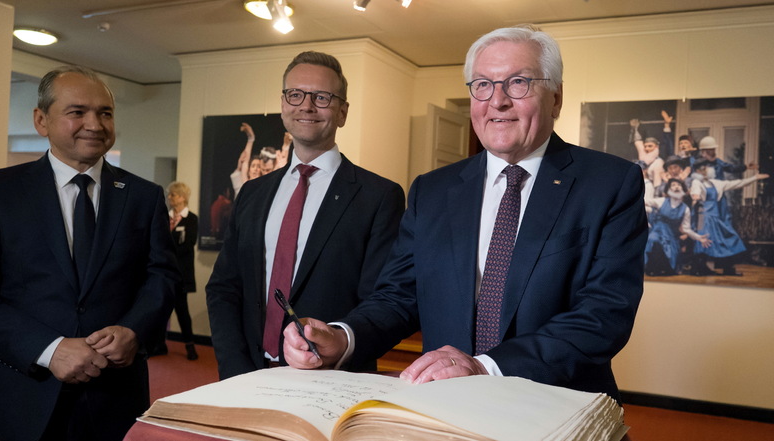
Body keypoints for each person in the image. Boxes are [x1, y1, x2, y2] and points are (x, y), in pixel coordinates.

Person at [283, 25, 648, 403]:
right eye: (483, 85)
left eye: (518, 83)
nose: (498, 101)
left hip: (557, 404)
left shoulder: (610, 183)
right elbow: (399, 295)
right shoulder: (432, 190)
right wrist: (342, 337)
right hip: (447, 407)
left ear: (555, 98)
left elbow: (604, 313)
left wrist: (486, 366)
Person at [0, 66, 179, 441]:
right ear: (41, 120)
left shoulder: (143, 196)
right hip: (23, 393)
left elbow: (164, 276)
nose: (94, 123)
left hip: (115, 395)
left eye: (105, 113)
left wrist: (133, 331)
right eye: (77, 112)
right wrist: (49, 349)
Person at [206, 51, 406, 380]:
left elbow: (385, 300)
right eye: (295, 94)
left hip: (333, 378)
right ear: (284, 104)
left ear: (342, 112)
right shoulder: (252, 193)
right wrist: (234, 368)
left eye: (322, 97)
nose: (306, 106)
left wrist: (339, 343)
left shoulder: (379, 196)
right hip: (246, 374)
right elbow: (225, 288)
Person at [689, 158, 769, 276]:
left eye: (705, 168)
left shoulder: (716, 183)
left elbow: (737, 183)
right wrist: (695, 196)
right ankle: (701, 269)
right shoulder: (697, 182)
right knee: (705, 241)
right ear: (696, 171)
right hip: (704, 217)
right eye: (701, 169)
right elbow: (695, 192)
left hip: (715, 217)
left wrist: (755, 178)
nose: (704, 171)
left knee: (729, 238)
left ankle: (728, 268)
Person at [153, 182, 200, 360]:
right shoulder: (164, 217)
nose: (169, 198)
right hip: (163, 273)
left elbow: (188, 245)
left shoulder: (192, 219)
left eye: (173, 195)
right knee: (161, 310)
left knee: (182, 311)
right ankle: (159, 345)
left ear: (182, 197)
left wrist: (167, 251)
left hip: (181, 274)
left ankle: (190, 346)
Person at [644, 178, 710, 276]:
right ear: (668, 190)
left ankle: (665, 268)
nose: (676, 187)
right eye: (673, 185)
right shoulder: (661, 201)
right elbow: (644, 201)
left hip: (671, 235)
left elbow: (686, 228)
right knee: (653, 240)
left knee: (671, 260)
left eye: (678, 185)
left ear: (683, 189)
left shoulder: (685, 209)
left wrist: (699, 238)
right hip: (658, 231)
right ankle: (652, 268)